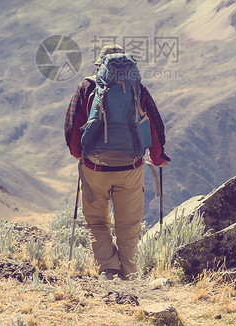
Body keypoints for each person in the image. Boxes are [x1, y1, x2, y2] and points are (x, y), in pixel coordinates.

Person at [64, 44, 170, 280]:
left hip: (94, 168)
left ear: (100, 66)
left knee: (98, 223)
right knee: (129, 225)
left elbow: (72, 126)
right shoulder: (137, 89)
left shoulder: (87, 88)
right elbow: (153, 123)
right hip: (129, 168)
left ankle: (109, 270)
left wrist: (80, 155)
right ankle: (130, 274)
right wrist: (157, 157)